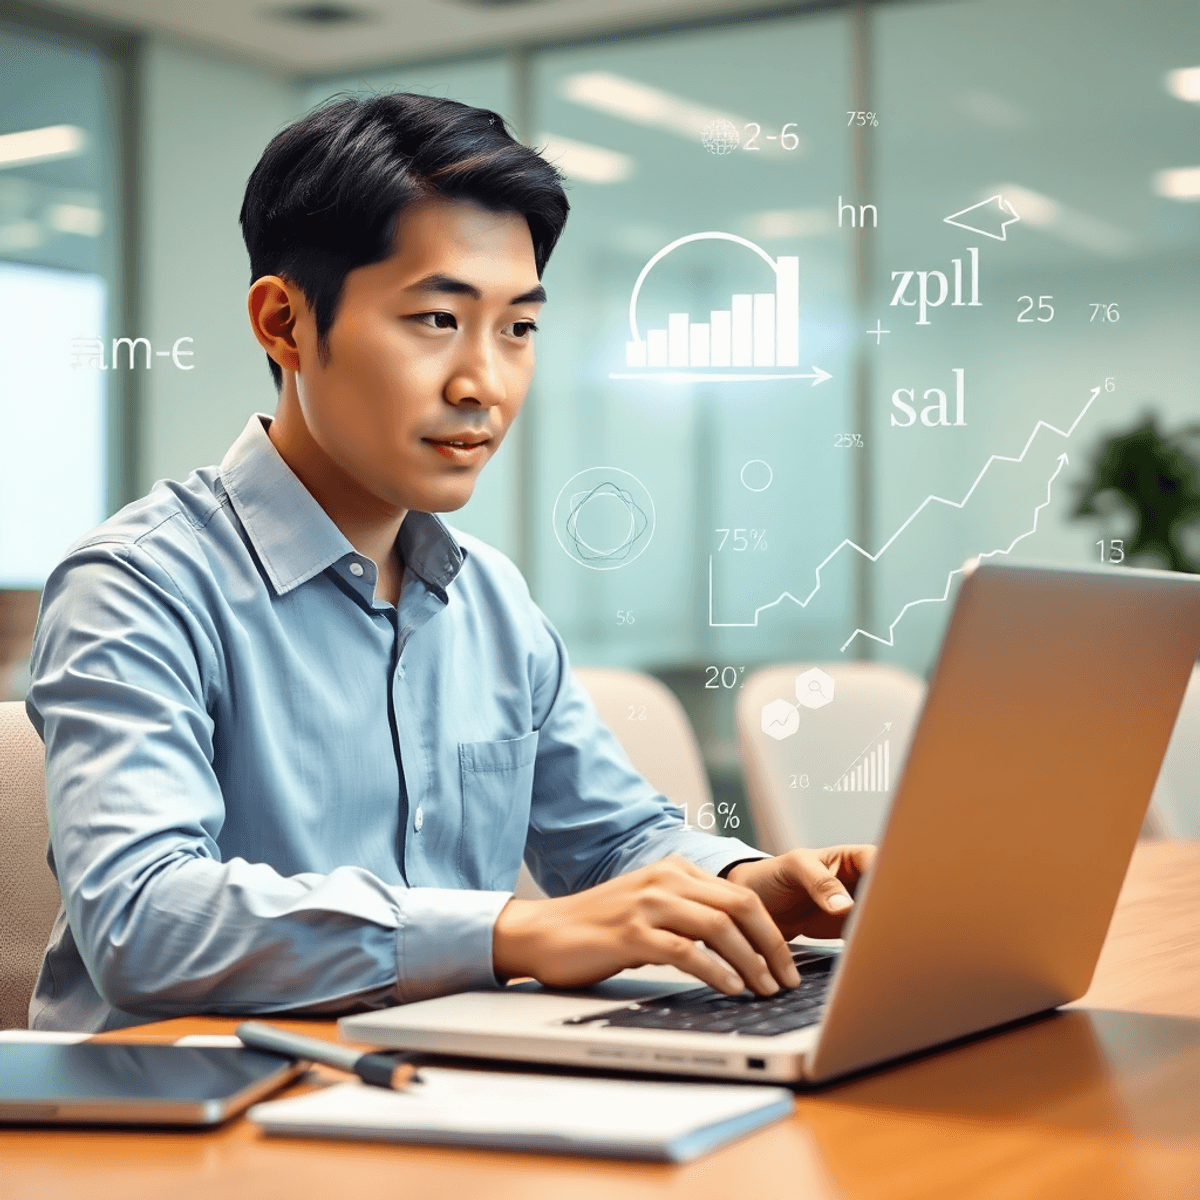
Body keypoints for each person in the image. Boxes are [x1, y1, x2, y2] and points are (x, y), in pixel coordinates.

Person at [25, 93, 873, 1032]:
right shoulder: (137, 587)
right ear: (284, 324)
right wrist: (512, 934)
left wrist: (752, 887)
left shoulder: (489, 599)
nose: (484, 384)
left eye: (518, 328)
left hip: (428, 1089)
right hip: (181, 1129)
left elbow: (613, 842)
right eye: (436, 319)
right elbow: (141, 920)